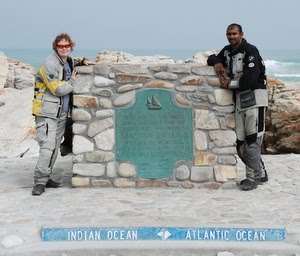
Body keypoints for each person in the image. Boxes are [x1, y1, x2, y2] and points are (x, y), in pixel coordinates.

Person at [32, 33, 95, 196]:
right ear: (55, 47)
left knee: (54, 149)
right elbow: (58, 90)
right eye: (61, 46)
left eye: (67, 46)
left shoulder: (67, 61)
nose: (64, 48)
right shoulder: (49, 64)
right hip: (47, 113)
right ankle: (39, 182)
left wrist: (83, 61)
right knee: (47, 147)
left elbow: (74, 60)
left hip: (61, 114)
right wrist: (72, 81)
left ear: (70, 47)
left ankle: (46, 178)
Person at [207, 23, 268, 191]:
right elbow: (210, 58)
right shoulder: (227, 51)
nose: (231, 36)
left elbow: (250, 79)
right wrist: (217, 62)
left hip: (255, 100)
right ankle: (259, 170)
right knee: (241, 144)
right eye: (229, 34)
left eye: (234, 33)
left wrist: (229, 84)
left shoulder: (251, 51)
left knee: (252, 141)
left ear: (241, 34)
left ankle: (252, 178)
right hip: (240, 102)